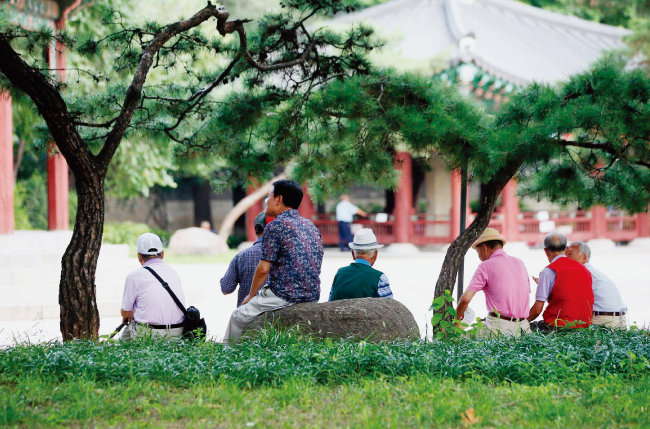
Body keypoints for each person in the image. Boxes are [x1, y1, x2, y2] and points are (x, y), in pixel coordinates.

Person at [223, 180, 324, 344]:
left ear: (279, 199)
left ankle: (227, 355)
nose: (267, 201)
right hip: (312, 294)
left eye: (269, 197)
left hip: (285, 295)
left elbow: (263, 269)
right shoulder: (310, 225)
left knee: (237, 316)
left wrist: (250, 295)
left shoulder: (275, 226)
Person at [455, 228, 531, 336]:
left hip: (498, 327)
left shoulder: (485, 266)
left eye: (478, 251)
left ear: (484, 247)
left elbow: (465, 299)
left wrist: (456, 324)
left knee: (459, 339)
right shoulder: (520, 263)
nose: (479, 256)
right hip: (523, 328)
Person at [120, 232, 186, 339]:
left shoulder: (133, 277)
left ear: (139, 256)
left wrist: (131, 313)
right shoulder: (174, 273)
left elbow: (125, 313)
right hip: (178, 331)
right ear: (163, 253)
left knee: (125, 338)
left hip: (150, 333)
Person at [528, 233, 594, 330]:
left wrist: (522, 322)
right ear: (567, 249)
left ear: (546, 251)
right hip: (583, 326)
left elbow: (537, 310)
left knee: (524, 329)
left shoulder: (548, 271)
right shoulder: (585, 270)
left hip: (558, 326)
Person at [566, 241, 627, 328]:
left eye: (569, 254)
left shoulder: (582, 272)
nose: (566, 257)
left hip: (604, 320)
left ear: (584, 257)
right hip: (620, 319)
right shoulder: (593, 272)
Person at [220, 211, 270, 307]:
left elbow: (226, 289)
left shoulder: (241, 256)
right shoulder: (284, 255)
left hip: (247, 315)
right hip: (276, 317)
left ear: (256, 229)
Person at [329, 228, 393, 301]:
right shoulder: (379, 278)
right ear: (375, 254)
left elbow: (330, 303)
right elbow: (390, 308)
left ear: (353, 253)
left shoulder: (340, 273)